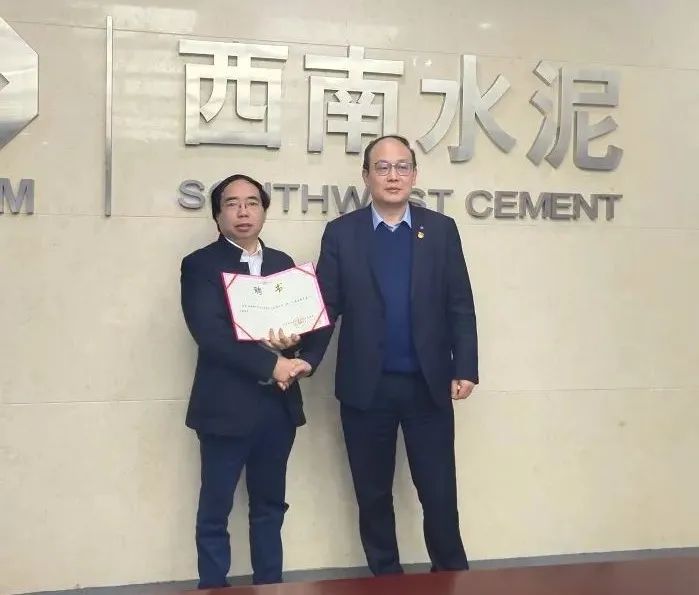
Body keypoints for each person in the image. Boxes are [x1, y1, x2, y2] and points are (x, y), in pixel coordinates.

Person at [299, 135, 479, 575]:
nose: (393, 176)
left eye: (402, 167)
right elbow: (326, 304)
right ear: (366, 176)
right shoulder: (342, 233)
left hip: (428, 386)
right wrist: (306, 357)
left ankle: (451, 576)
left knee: (439, 493)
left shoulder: (441, 230)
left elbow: (459, 302)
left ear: (415, 175)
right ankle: (386, 579)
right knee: (373, 495)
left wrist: (465, 366)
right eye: (382, 167)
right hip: (367, 388)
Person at [180, 173, 310, 589]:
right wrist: (272, 365)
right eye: (232, 204)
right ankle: (212, 586)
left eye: (252, 202)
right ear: (217, 215)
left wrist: (294, 347)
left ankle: (269, 585)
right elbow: (211, 334)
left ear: (264, 211)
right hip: (224, 409)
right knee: (214, 511)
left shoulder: (283, 264)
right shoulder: (200, 265)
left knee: (270, 509)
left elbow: (301, 325)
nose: (243, 211)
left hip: (277, 409)